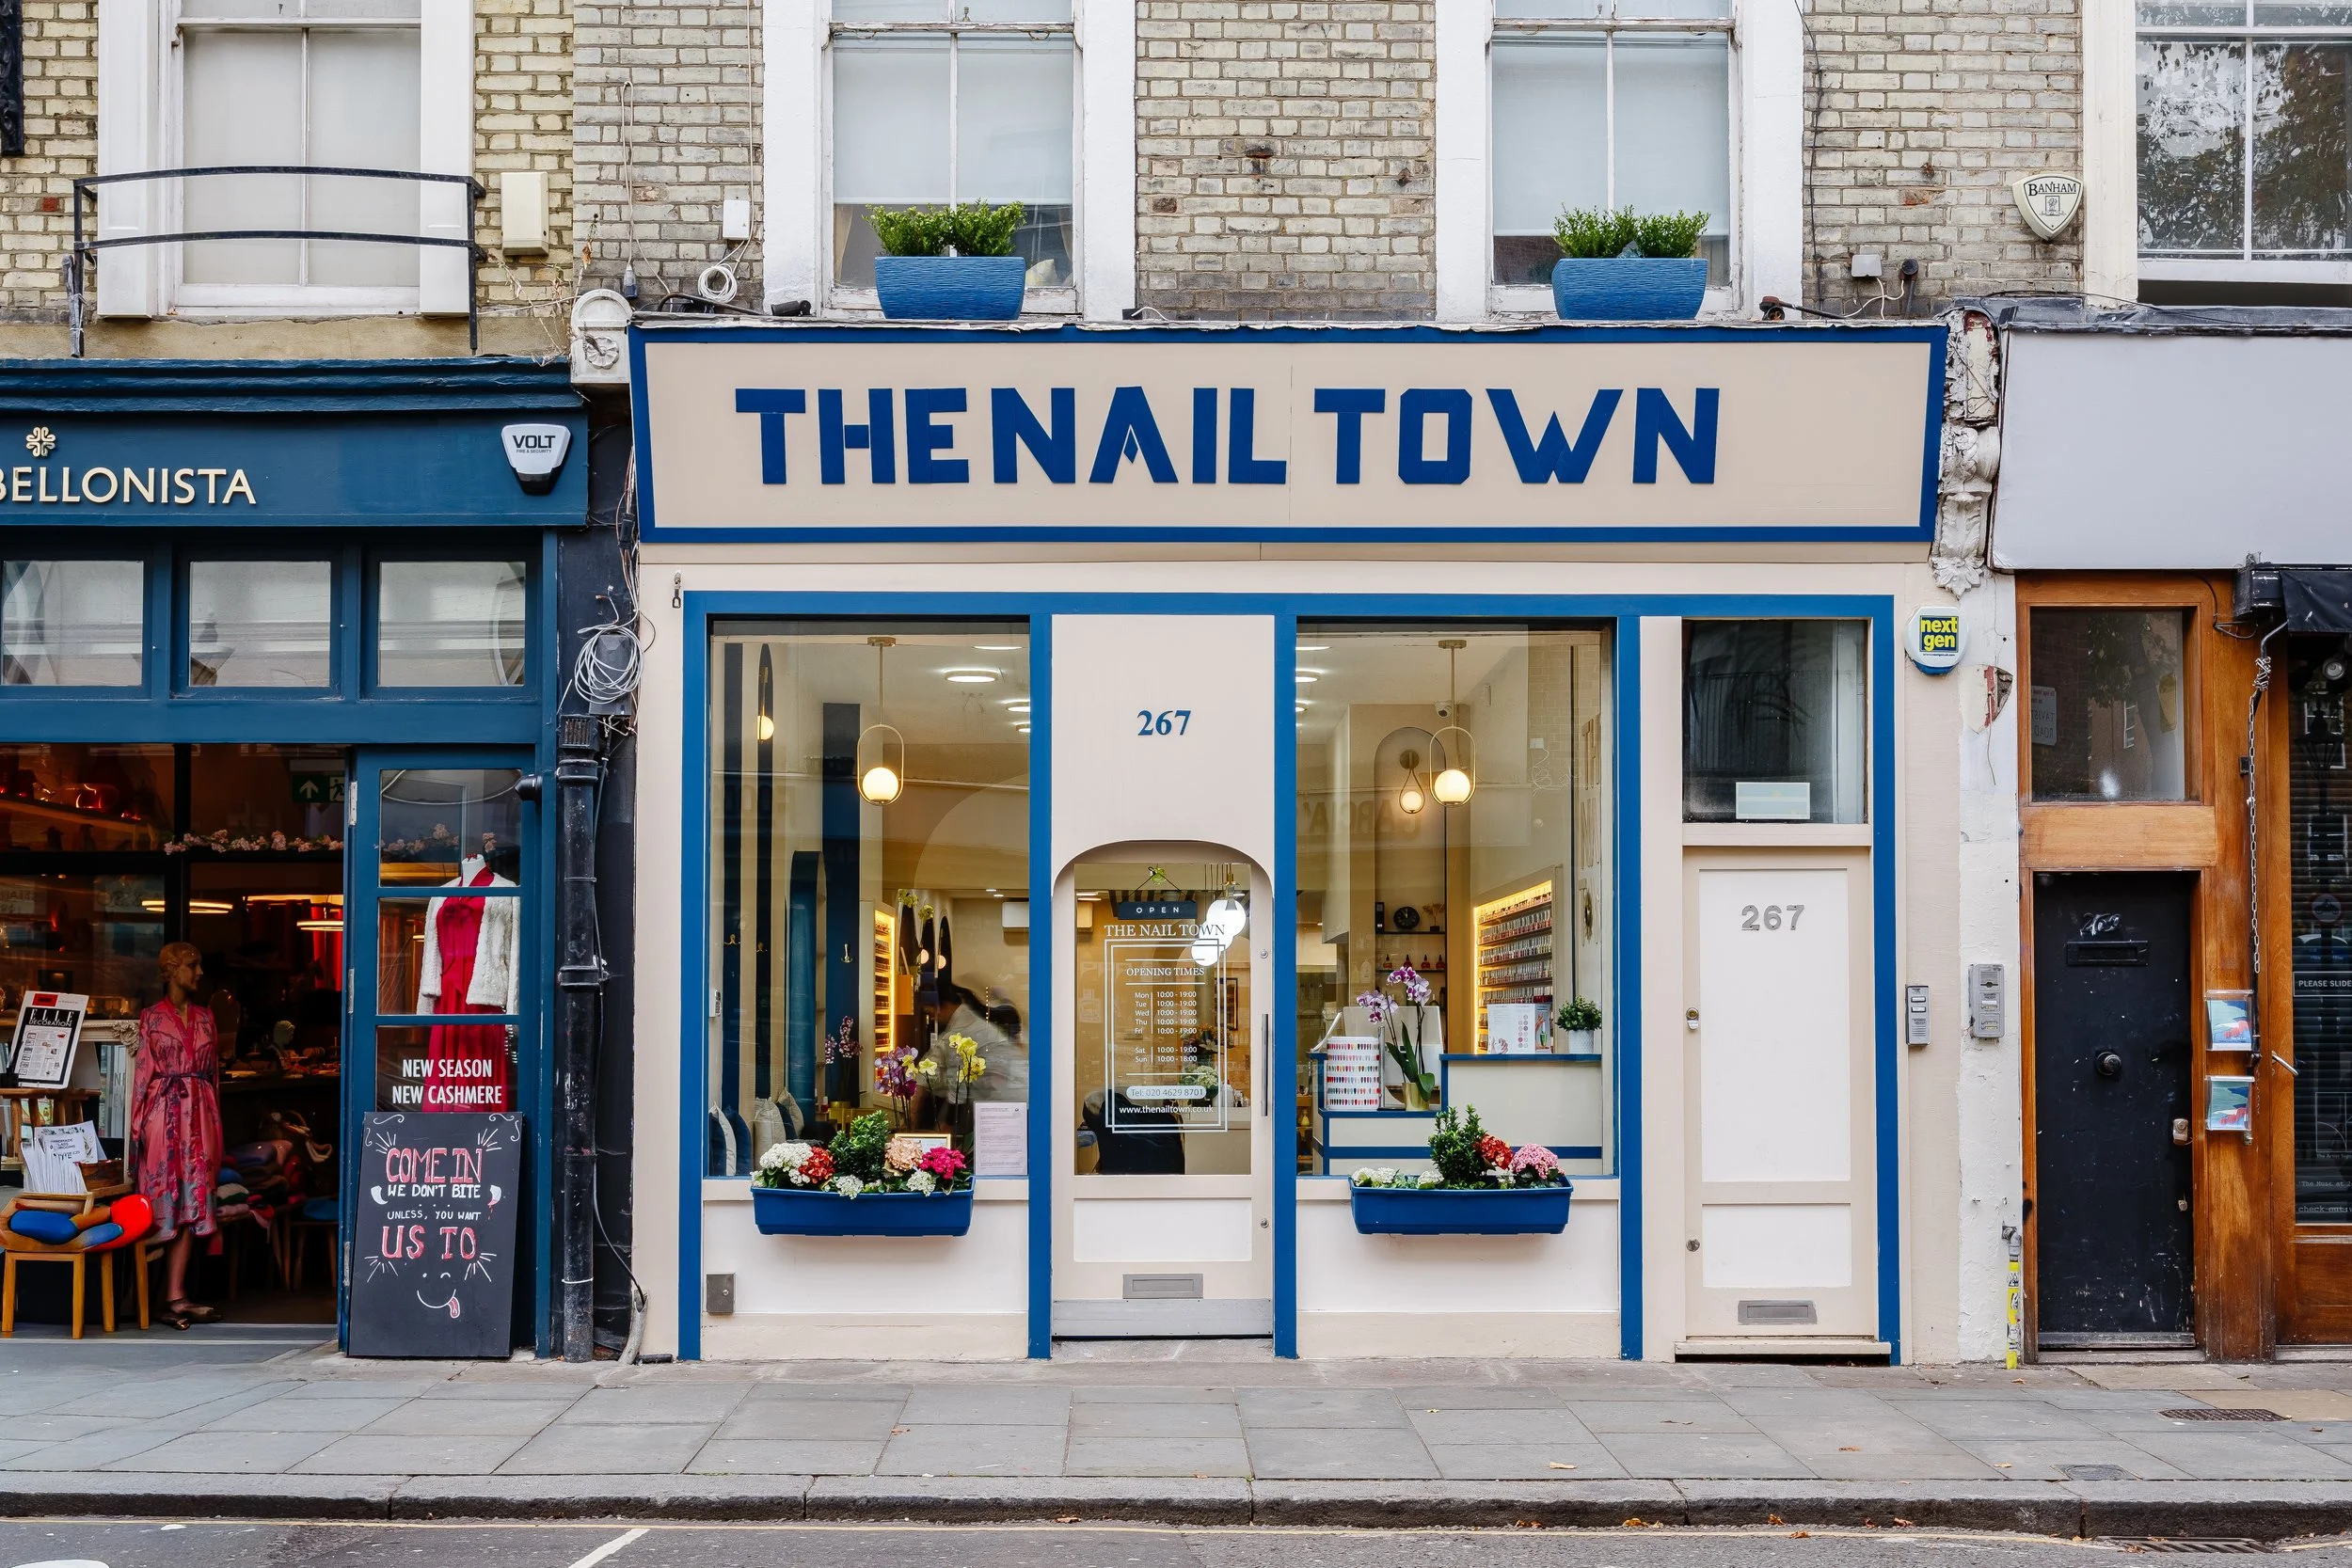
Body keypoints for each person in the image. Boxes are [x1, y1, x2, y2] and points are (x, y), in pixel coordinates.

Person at [133, 942, 224, 1329]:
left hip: (200, 1115)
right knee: (161, 1198)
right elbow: (141, 1075)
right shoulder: (150, 1019)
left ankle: (176, 1295)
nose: (199, 973)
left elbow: (214, 1076)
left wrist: (216, 1122)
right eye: (193, 965)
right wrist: (137, 1126)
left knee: (192, 1201)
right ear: (172, 970)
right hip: (163, 1115)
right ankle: (150, 1298)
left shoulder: (206, 1018)